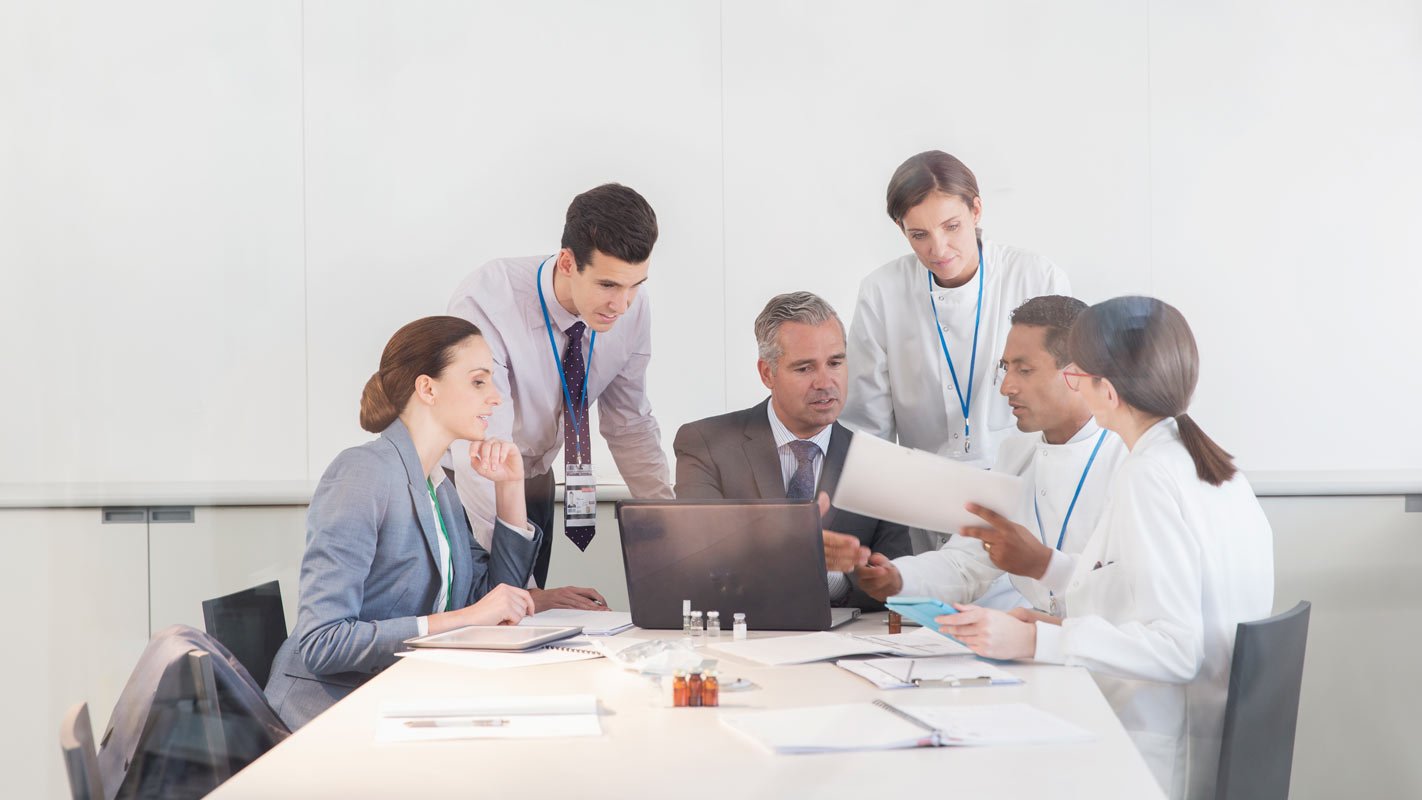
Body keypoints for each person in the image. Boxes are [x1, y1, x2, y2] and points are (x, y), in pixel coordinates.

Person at [936, 296, 1275, 800]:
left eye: (1075, 375)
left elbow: (1177, 650)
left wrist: (1036, 643)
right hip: (1194, 730)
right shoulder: (1199, 461)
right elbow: (1140, 587)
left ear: (1107, 389)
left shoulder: (1149, 476)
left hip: (1154, 752)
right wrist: (1049, 602)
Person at [266, 316, 541, 730]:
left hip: (397, 701)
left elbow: (493, 599)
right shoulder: (362, 473)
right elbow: (323, 642)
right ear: (427, 388)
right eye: (479, 382)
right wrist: (464, 619)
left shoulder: (439, 487)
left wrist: (510, 489)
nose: (496, 398)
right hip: (327, 714)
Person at [448, 183, 674, 608]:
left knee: (525, 626)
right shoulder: (489, 298)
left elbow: (631, 425)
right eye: (608, 285)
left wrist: (674, 532)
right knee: (494, 614)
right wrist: (530, 593)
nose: (621, 305)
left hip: (534, 480)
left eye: (635, 285)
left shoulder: (631, 308)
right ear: (568, 262)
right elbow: (478, 448)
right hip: (465, 483)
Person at [854, 295, 1127, 615]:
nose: (1006, 387)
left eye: (1024, 370)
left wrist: (1043, 563)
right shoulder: (1016, 453)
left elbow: (1135, 591)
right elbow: (967, 562)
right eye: (1005, 369)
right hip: (1043, 647)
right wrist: (898, 578)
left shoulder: (1131, 458)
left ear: (1077, 374)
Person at [674, 291, 911, 610]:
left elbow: (894, 582)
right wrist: (798, 555)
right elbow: (700, 560)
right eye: (804, 368)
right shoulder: (706, 444)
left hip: (843, 645)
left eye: (835, 363)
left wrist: (831, 578)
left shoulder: (880, 465)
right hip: (738, 639)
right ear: (767, 373)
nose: (825, 382)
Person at [842, 150, 1070, 472]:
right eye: (919, 235)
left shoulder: (1038, 278)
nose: (938, 249)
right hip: (922, 488)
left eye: (951, 226)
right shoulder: (881, 292)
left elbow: (1064, 402)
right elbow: (866, 427)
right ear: (900, 227)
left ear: (975, 210)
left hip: (1024, 482)